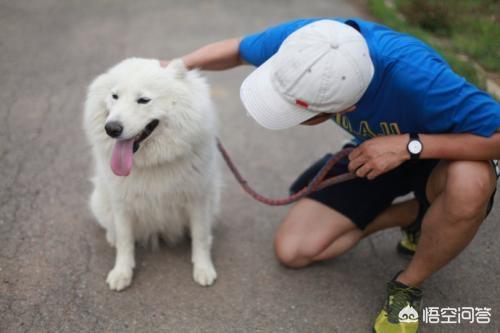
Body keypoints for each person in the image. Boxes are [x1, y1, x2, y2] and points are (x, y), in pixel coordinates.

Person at [161, 18, 500, 333]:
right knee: (294, 250)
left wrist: (409, 146)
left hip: (441, 153)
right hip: (370, 148)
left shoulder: (420, 79)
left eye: (297, 111)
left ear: (347, 107)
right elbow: (237, 48)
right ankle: (420, 216)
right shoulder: (311, 42)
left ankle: (408, 285)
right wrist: (170, 70)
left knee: (471, 184)